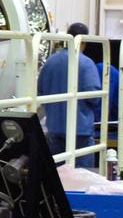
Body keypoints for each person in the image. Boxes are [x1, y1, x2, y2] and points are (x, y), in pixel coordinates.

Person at [38, 22, 101, 156]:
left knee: (58, 174)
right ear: (84, 40)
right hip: (79, 132)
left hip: (54, 129)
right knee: (81, 174)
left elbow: (41, 92)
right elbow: (94, 97)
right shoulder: (86, 63)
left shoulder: (50, 62)